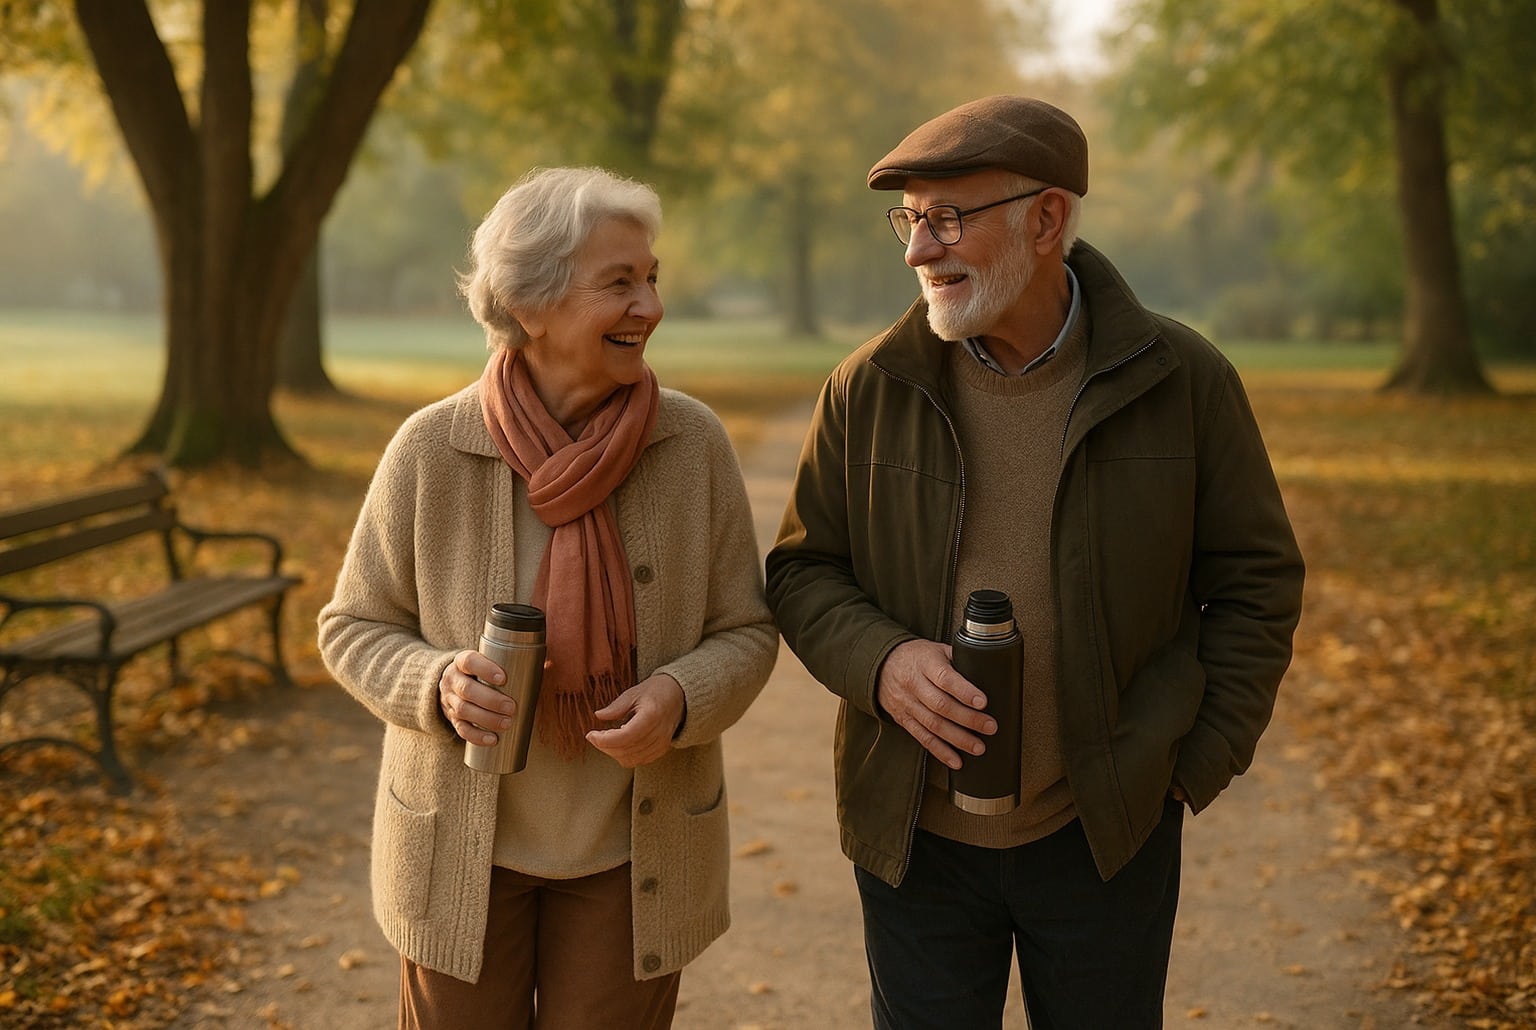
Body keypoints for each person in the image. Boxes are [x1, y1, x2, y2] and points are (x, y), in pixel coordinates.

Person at [765, 95, 1305, 1028]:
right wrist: (884, 662)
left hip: (1108, 830)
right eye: (910, 219)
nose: (917, 251)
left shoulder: (1185, 380)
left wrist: (1196, 759)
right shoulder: (869, 385)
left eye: (948, 219)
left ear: (1047, 219)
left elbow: (1257, 582)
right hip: (914, 835)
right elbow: (804, 571)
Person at [319, 166, 777, 1029]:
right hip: (458, 857)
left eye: (651, 277)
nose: (650, 305)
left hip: (628, 859)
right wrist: (435, 683)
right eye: (618, 282)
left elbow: (746, 631)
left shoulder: (691, 446)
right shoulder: (432, 449)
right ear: (529, 304)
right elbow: (352, 626)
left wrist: (683, 696)